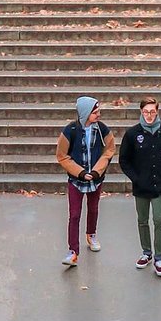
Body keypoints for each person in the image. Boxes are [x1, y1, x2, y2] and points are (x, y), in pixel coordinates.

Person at [118, 96, 161, 278]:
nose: (149, 115)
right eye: (146, 112)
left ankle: (159, 257)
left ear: (157, 111)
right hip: (141, 185)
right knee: (142, 219)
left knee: (159, 219)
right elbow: (124, 160)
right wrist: (136, 178)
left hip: (160, 185)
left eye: (152, 112)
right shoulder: (132, 134)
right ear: (141, 112)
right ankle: (146, 252)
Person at [56, 96, 115, 268]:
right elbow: (62, 155)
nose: (98, 115)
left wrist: (97, 170)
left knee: (93, 208)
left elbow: (109, 150)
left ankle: (91, 234)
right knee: (74, 214)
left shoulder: (102, 130)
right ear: (85, 113)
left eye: (98, 111)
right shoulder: (70, 130)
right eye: (95, 112)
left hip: (96, 179)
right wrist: (80, 172)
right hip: (76, 180)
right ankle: (73, 251)